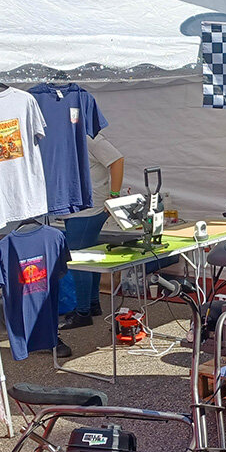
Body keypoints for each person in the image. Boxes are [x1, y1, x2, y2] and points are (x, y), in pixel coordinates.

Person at [60, 133, 124, 331]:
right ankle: (92, 304)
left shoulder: (88, 137)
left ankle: (83, 312)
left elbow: (117, 160)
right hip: (77, 208)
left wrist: (114, 195)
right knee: (91, 256)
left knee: (79, 259)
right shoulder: (67, 137)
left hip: (89, 207)